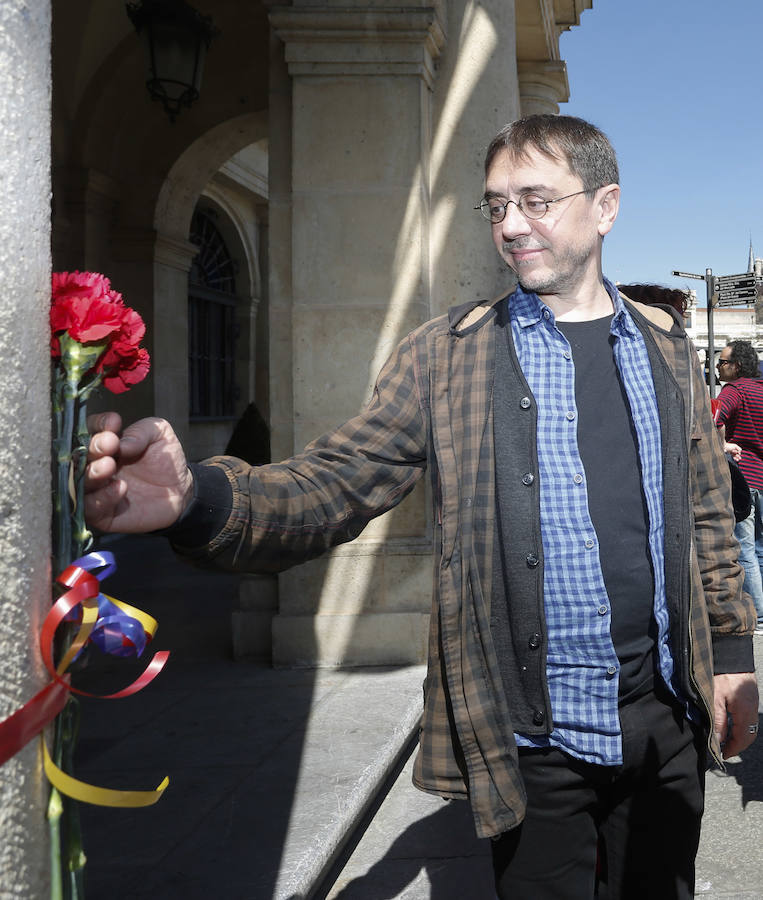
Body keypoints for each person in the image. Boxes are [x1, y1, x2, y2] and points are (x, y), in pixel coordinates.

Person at [84, 115, 759, 899]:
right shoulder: (448, 355)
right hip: (533, 740)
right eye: (496, 205)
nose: (510, 225)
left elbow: (710, 515)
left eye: (535, 201)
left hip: (665, 721)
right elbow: (334, 482)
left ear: (604, 206)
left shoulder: (666, 350)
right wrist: (196, 499)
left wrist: (733, 659)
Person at [715, 340, 763, 634]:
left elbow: (714, 418)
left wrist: (722, 444)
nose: (719, 366)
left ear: (737, 366)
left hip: (744, 481)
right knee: (760, 548)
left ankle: (757, 614)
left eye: (722, 362)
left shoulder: (734, 391)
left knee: (744, 548)